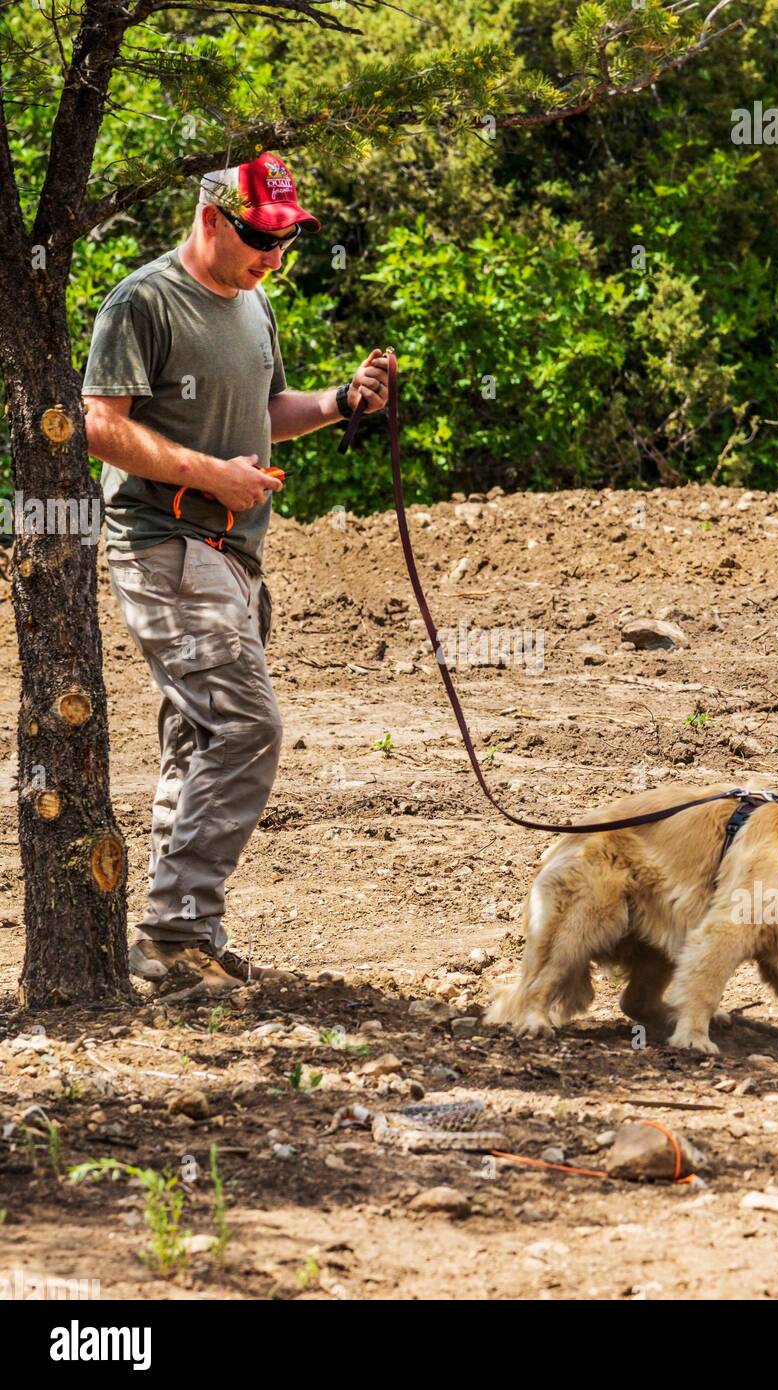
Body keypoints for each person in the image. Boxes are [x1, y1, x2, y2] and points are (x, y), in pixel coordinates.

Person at [82, 150, 391, 999]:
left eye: (286, 240)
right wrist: (208, 475)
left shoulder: (253, 303)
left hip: (234, 554)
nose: (273, 256)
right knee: (248, 725)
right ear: (211, 217)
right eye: (260, 236)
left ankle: (173, 941)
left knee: (199, 734)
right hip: (164, 541)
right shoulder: (143, 301)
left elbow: (263, 413)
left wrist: (339, 403)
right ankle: (180, 927)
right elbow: (101, 426)